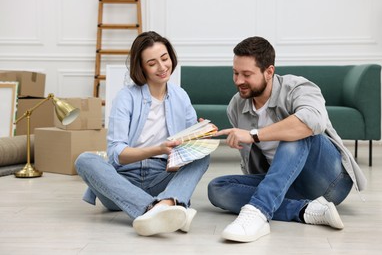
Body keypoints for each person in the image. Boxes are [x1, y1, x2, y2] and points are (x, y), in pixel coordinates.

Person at [208, 36, 367, 243]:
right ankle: (304, 210)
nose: (238, 81)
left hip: (329, 182)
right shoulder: (236, 106)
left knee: (297, 130)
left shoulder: (297, 87)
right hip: (285, 184)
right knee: (217, 189)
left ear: (269, 72)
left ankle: (258, 211)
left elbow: (311, 121)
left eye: (247, 74)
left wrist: (254, 135)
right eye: (235, 73)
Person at [75, 31, 210, 237]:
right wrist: (157, 149)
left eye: (164, 59)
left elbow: (187, 145)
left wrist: (199, 135)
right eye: (152, 63)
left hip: (162, 176)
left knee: (203, 156)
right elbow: (116, 153)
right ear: (142, 68)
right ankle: (161, 208)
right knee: (84, 160)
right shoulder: (126, 97)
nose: (162, 67)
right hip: (121, 182)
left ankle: (162, 205)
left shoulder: (180, 96)